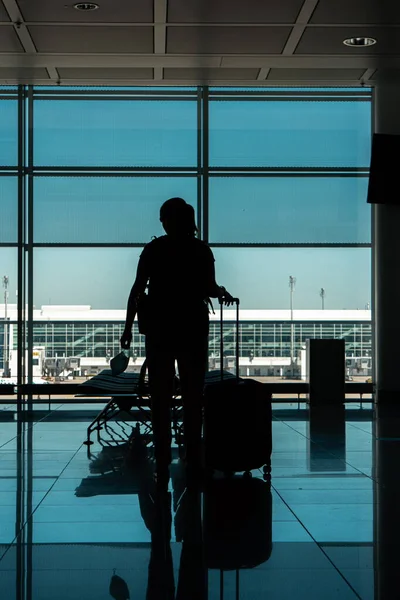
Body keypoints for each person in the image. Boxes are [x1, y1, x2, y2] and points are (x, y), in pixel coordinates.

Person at [120, 197, 234, 484]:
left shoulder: (153, 249)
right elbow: (208, 287)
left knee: (160, 395)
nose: (162, 223)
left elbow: (136, 291)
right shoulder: (200, 250)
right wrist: (222, 292)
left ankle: (161, 457)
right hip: (193, 326)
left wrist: (128, 327)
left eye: (164, 218)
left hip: (159, 328)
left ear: (168, 220)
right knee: (193, 394)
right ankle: (193, 454)